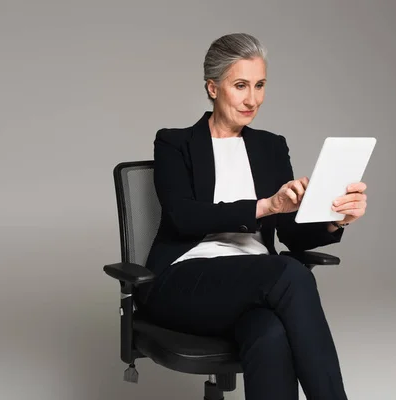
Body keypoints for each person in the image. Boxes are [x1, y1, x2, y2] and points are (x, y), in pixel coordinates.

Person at [137, 33, 368, 400]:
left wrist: (335, 219)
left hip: (256, 284)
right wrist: (265, 206)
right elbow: (184, 217)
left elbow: (292, 234)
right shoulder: (174, 143)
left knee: (270, 333)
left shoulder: (269, 147)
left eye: (260, 85)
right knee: (290, 272)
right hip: (184, 281)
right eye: (240, 85)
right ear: (213, 88)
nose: (253, 99)